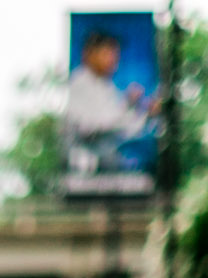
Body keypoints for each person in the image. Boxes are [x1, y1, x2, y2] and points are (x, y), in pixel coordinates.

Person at [65, 28, 157, 177]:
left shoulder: (107, 87)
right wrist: (127, 107)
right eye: (108, 53)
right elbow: (90, 127)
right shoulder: (79, 83)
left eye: (115, 54)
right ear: (89, 54)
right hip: (83, 172)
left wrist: (146, 114)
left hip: (106, 169)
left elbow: (125, 130)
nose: (114, 59)